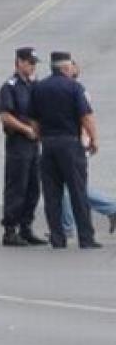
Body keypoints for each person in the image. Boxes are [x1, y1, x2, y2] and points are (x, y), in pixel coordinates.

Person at [29, 51, 102, 249]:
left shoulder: (39, 88)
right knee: (78, 192)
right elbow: (85, 116)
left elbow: (34, 121)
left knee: (52, 195)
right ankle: (86, 238)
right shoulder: (74, 88)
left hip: (48, 145)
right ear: (65, 67)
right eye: (70, 67)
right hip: (70, 144)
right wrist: (94, 139)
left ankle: (57, 238)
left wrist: (42, 136)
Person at [58, 59, 116, 235]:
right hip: (74, 143)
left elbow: (86, 117)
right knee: (73, 185)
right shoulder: (73, 90)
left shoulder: (77, 92)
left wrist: (92, 138)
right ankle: (111, 208)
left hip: (76, 144)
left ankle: (68, 227)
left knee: (69, 186)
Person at [0, 47, 47, 247]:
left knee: (33, 187)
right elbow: (5, 116)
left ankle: (26, 228)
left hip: (35, 143)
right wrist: (26, 129)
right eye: (29, 62)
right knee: (17, 186)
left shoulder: (35, 85)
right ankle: (10, 230)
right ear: (19, 62)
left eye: (34, 63)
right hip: (19, 142)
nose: (33, 66)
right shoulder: (10, 87)